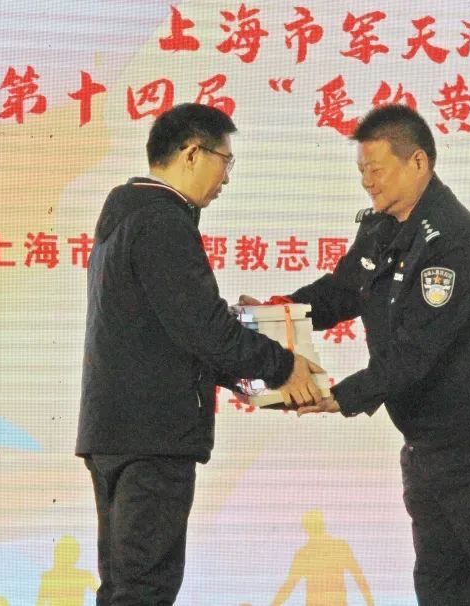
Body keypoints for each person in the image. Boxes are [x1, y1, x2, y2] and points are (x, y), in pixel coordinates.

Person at [246, 105, 470, 605]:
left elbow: (415, 353)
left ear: (418, 162)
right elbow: (343, 290)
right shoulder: (383, 225)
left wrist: (339, 396)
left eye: (376, 169)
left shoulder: (450, 240)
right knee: (440, 586)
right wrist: (280, 312)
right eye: (361, 170)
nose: (366, 181)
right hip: (429, 448)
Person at [76, 102, 324, 605]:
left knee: (123, 587)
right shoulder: (162, 221)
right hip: (153, 437)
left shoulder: (126, 215)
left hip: (115, 433)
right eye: (224, 161)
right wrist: (284, 366)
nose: (226, 178)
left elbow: (174, 329)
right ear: (192, 153)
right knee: (144, 590)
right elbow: (203, 329)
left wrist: (245, 345)